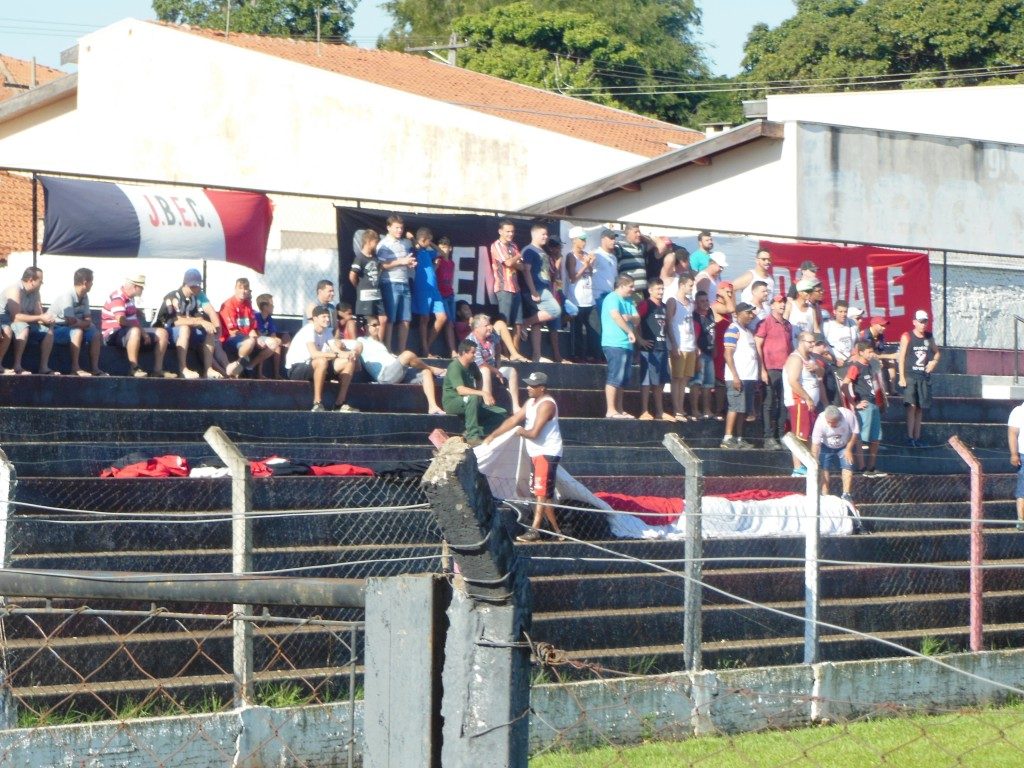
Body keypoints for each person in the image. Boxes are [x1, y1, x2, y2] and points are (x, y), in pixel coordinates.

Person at [484, 371, 564, 542]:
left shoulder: (547, 405)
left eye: (532, 386)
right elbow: (513, 420)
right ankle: (557, 531)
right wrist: (493, 435)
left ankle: (535, 530)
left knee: (540, 492)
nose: (528, 388)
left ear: (541, 388)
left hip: (547, 453)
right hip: (536, 453)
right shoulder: (530, 403)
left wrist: (520, 431)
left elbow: (534, 433)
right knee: (543, 493)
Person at [340, 317, 446, 414]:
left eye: (378, 325)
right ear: (365, 327)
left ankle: (433, 406)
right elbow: (352, 347)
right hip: (385, 375)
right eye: (374, 325)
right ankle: (432, 368)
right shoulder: (361, 340)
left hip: (396, 371)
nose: (378, 327)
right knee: (407, 354)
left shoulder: (380, 344)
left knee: (425, 373)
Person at [155, 268, 234, 379]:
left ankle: (208, 369)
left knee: (209, 330)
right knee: (185, 328)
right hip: (165, 331)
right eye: (195, 285)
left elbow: (200, 316)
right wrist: (200, 321)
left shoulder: (193, 299)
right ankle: (183, 369)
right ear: (186, 285)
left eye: (197, 285)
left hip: (183, 334)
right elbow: (175, 321)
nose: (198, 288)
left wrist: (208, 325)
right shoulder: (173, 297)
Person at [284, 304, 360, 412]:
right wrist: (337, 355)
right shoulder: (308, 330)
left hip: (315, 366)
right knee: (321, 361)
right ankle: (317, 403)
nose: (327, 319)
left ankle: (339, 404)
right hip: (296, 369)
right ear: (315, 319)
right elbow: (314, 354)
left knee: (348, 362)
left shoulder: (327, 331)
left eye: (328, 316)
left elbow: (335, 349)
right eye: (324, 317)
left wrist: (347, 354)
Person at [101, 274, 171, 378]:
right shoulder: (118, 297)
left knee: (162, 333)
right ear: (135, 287)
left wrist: (137, 312)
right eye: (141, 287)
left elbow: (127, 314)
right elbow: (121, 320)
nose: (142, 290)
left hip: (128, 332)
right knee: (135, 331)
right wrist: (142, 331)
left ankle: (158, 369)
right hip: (113, 334)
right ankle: (134, 368)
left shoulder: (130, 298)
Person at [443, 339, 508, 446]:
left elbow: (479, 378)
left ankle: (477, 431)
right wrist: (482, 393)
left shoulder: (472, 365)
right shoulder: (455, 367)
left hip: (470, 402)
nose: (475, 355)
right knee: (472, 397)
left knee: (501, 413)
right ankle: (472, 437)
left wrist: (479, 392)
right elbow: (461, 390)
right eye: (473, 353)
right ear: (464, 353)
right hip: (453, 402)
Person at [842, 341, 887, 477]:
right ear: (861, 352)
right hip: (864, 405)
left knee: (876, 437)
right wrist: (855, 404)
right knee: (861, 436)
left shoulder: (871, 365)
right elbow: (844, 386)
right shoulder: (856, 367)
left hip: (874, 404)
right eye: (868, 351)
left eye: (872, 351)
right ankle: (861, 467)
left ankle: (871, 467)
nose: (871, 353)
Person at [50, 267, 106, 376]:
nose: (92, 284)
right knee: (78, 331)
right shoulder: (68, 296)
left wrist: (86, 323)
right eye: (92, 282)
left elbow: (88, 318)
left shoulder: (85, 296)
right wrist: (86, 323)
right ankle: (75, 368)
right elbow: (71, 322)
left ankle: (95, 368)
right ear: (85, 283)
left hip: (75, 327)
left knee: (95, 334)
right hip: (57, 329)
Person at [520, 224, 563, 362]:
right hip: (537, 289)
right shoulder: (529, 250)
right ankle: (525, 323)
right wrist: (533, 291)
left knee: (537, 323)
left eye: (546, 234)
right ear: (535, 234)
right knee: (556, 310)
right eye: (543, 234)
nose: (545, 237)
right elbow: (526, 270)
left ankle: (536, 356)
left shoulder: (542, 251)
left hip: (545, 287)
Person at [899, 309, 941, 447]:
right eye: (921, 322)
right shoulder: (907, 336)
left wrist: (933, 362)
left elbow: (937, 353)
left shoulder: (929, 337)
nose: (923, 324)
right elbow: (902, 358)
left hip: (923, 376)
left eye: (925, 322)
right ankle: (909, 437)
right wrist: (902, 377)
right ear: (914, 322)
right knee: (911, 406)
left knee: (920, 408)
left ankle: (917, 437)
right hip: (910, 375)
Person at [3, 266, 57, 374]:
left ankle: (44, 367)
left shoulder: (36, 293)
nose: (42, 284)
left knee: (48, 330)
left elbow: (39, 314)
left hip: (23, 322)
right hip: (7, 321)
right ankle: (17, 366)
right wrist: (40, 317)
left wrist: (46, 319)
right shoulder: (15, 289)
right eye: (40, 281)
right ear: (31, 281)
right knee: (23, 327)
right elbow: (16, 317)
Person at [755, 294, 792, 450]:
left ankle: (781, 435)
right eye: (778, 303)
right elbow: (758, 345)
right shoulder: (766, 322)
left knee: (784, 403)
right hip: (771, 368)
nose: (782, 305)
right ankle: (768, 437)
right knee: (769, 402)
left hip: (786, 368)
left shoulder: (788, 325)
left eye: (783, 302)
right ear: (772, 306)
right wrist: (762, 369)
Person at [220, 277, 278, 375]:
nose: (243, 291)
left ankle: (249, 366)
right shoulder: (228, 304)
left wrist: (258, 338)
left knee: (274, 343)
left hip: (248, 338)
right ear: (235, 289)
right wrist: (253, 338)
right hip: (230, 340)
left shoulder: (247, 304)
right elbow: (232, 332)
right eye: (240, 288)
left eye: (246, 288)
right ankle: (238, 365)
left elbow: (252, 328)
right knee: (250, 341)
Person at [783, 332, 823, 476]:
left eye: (814, 342)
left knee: (807, 435)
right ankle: (798, 467)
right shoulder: (796, 358)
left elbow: (822, 373)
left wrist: (816, 368)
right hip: (799, 402)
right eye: (810, 342)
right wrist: (808, 398)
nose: (813, 345)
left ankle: (805, 464)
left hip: (808, 404)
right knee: (800, 436)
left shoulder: (811, 358)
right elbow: (793, 382)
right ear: (801, 342)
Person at [463, 313, 521, 412]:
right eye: (486, 326)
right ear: (477, 329)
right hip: (475, 372)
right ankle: (487, 404)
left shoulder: (491, 335)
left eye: (489, 324)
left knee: (512, 371)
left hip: (492, 369)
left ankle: (515, 406)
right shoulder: (471, 341)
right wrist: (496, 371)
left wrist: (497, 366)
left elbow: (498, 348)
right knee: (484, 370)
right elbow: (479, 363)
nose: (490, 327)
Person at [811, 404, 861, 518]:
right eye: (828, 422)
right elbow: (815, 444)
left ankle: (846, 493)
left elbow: (855, 432)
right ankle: (825, 493)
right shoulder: (820, 421)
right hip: (826, 445)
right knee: (824, 467)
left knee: (848, 463)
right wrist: (814, 460)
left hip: (844, 445)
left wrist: (848, 448)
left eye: (833, 422)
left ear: (839, 418)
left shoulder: (848, 415)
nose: (830, 425)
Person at [721, 303, 759, 448]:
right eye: (748, 313)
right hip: (737, 376)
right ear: (738, 313)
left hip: (748, 377)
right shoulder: (733, 329)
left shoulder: (748, 331)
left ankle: (739, 438)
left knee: (742, 409)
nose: (751, 315)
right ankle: (727, 437)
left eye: (751, 313)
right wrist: (735, 376)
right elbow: (727, 353)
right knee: (735, 407)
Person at [377, 215, 416, 352]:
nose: (400, 230)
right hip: (390, 283)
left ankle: (401, 351)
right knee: (391, 319)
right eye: (396, 227)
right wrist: (401, 262)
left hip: (405, 283)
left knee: (406, 319)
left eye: (401, 228)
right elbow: (381, 265)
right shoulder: (384, 244)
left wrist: (410, 263)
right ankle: (387, 350)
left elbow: (406, 260)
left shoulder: (405, 243)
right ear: (388, 228)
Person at [601, 274, 638, 419]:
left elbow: (637, 319)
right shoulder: (612, 298)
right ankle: (611, 410)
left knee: (622, 379)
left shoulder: (629, 301)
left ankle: (620, 409)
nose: (633, 289)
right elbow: (616, 316)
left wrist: (630, 318)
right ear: (621, 286)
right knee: (614, 376)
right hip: (614, 343)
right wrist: (629, 331)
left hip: (627, 345)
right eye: (630, 286)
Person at [636, 277, 672, 421]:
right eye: (658, 289)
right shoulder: (645, 304)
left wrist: (672, 344)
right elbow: (635, 321)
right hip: (649, 348)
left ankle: (659, 411)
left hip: (662, 347)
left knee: (660, 381)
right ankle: (644, 410)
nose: (661, 291)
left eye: (662, 288)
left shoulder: (664, 306)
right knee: (646, 381)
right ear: (650, 290)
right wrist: (640, 340)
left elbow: (667, 325)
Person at [490, 219, 526, 356]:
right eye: (508, 231)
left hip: (516, 288)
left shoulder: (514, 246)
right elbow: (509, 262)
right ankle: (504, 354)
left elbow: (521, 267)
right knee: (503, 323)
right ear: (500, 231)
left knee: (518, 323)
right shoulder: (496, 245)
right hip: (503, 287)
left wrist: (514, 260)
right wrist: (518, 256)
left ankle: (515, 353)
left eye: (512, 231)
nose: (511, 234)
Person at [665, 272, 697, 421]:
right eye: (690, 285)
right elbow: (669, 324)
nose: (692, 288)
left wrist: (695, 345)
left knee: (685, 378)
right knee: (676, 378)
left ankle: (681, 407)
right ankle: (676, 409)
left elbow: (691, 324)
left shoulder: (690, 303)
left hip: (690, 344)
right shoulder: (673, 301)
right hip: (679, 344)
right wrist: (674, 344)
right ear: (682, 285)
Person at [412, 227, 448, 356]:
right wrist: (418, 240)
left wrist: (430, 242)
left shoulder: (428, 252)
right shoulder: (416, 250)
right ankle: (425, 349)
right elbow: (415, 243)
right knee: (425, 318)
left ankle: (427, 345)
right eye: (428, 241)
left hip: (434, 289)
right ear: (422, 240)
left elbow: (443, 254)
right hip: (422, 288)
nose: (430, 244)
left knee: (442, 317)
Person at [565, 226, 599, 362]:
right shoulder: (571, 256)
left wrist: (590, 263)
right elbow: (572, 278)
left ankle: (593, 355)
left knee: (594, 329)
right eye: (582, 239)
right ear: (574, 240)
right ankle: (577, 355)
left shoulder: (585, 254)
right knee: (577, 330)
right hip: (576, 299)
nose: (584, 242)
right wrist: (585, 265)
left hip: (589, 298)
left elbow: (590, 273)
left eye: (585, 239)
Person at [349, 229, 388, 343]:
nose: (377, 245)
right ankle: (368, 344)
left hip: (377, 294)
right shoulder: (360, 258)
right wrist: (358, 286)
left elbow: (383, 266)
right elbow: (352, 275)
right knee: (368, 322)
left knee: (383, 319)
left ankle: (379, 344)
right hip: (366, 296)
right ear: (369, 242)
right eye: (376, 242)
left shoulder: (375, 258)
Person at [690, 290, 716, 420]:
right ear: (696, 303)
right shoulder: (694, 316)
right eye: (702, 301)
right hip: (699, 353)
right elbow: (693, 335)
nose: (705, 303)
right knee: (696, 383)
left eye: (706, 300)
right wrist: (696, 351)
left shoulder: (711, 313)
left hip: (710, 352)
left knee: (708, 384)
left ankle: (707, 410)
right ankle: (694, 410)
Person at [254, 293, 287, 378]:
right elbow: (257, 332)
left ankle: (276, 374)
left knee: (278, 346)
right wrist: (271, 340)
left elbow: (273, 334)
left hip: (267, 340)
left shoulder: (269, 319)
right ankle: (259, 373)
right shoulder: (256, 317)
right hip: (258, 339)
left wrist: (277, 340)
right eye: (271, 304)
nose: (273, 306)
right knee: (265, 345)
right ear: (265, 307)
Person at [435, 236, 457, 356]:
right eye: (441, 247)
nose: (443, 250)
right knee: (446, 321)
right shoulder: (438, 261)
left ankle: (453, 350)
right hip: (440, 294)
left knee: (451, 323)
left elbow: (451, 278)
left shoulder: (452, 263)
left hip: (450, 294)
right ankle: (453, 351)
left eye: (445, 247)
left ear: (450, 248)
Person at [617, 224, 648, 297]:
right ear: (628, 233)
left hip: (640, 293)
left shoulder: (641, 247)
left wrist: (641, 236)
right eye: (636, 232)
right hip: (628, 293)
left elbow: (658, 245)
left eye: (639, 232)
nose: (639, 234)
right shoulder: (620, 246)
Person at [824, 300, 858, 366]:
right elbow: (821, 349)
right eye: (840, 312)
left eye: (845, 312)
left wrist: (856, 354)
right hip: (834, 364)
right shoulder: (827, 326)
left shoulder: (852, 323)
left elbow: (857, 342)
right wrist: (834, 360)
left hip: (851, 362)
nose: (843, 314)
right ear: (834, 312)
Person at [1007, 399, 1024, 531]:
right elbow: (1013, 433)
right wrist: (1014, 454)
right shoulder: (1018, 411)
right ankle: (1021, 520)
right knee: (1023, 490)